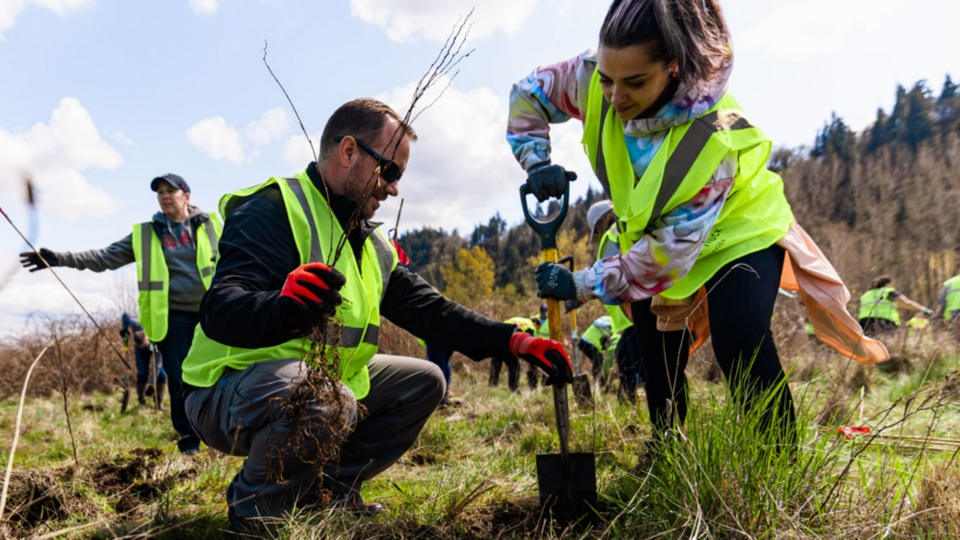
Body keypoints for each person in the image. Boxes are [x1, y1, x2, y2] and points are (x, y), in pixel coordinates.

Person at [508, 0, 888, 451]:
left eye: (634, 83)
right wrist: (536, 161)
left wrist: (582, 282)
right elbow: (529, 94)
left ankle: (778, 465)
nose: (614, 97)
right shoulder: (591, 76)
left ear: (673, 68)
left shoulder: (709, 137)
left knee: (739, 339)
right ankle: (668, 452)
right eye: (608, 79)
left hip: (737, 230)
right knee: (654, 346)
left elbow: (667, 258)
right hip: (652, 235)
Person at [178, 98, 573, 527]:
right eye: (390, 171)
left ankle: (327, 492)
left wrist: (512, 340)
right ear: (349, 151)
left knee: (424, 382)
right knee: (325, 399)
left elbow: (432, 312)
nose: (394, 188)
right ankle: (257, 511)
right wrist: (282, 308)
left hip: (316, 392)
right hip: (225, 394)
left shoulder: (372, 244)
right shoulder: (273, 210)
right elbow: (220, 309)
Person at [20, 174, 221, 455]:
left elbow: (240, 257)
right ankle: (189, 438)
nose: (164, 196)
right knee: (178, 378)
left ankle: (220, 431)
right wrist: (60, 258)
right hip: (171, 318)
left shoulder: (213, 225)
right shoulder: (146, 234)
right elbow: (105, 257)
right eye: (160, 192)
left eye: (170, 190)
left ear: (186, 195)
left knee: (217, 374)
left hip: (213, 314)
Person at [567, 200, 644, 398]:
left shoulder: (612, 234)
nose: (599, 235)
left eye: (597, 230)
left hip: (636, 310)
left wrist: (579, 295)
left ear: (602, 220)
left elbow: (610, 276)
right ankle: (628, 402)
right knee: (624, 356)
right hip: (631, 314)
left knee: (640, 363)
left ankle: (657, 413)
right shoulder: (626, 228)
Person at [120, 312, 167, 411]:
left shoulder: (156, 336)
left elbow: (157, 364)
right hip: (141, 350)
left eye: (144, 346)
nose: (143, 348)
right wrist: (124, 329)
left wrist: (151, 384)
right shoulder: (135, 324)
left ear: (147, 339)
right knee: (142, 373)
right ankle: (142, 402)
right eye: (141, 347)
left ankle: (159, 403)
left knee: (161, 373)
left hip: (155, 345)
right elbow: (125, 315)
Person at [857, 276, 932, 334]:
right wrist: (923, 309)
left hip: (864, 322)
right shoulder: (888, 292)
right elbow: (907, 303)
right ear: (887, 284)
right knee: (885, 345)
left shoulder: (867, 294)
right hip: (883, 322)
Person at [489, 316, 537, 392]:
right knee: (514, 365)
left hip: (497, 335)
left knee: (496, 362)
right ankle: (513, 388)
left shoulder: (521, 320)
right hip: (507, 339)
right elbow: (529, 343)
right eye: (537, 328)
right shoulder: (530, 325)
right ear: (535, 323)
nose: (536, 330)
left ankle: (492, 385)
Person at [418, 338, 454, 405]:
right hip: (452, 337)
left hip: (435, 337)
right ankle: (446, 392)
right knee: (445, 363)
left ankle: (440, 400)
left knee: (437, 368)